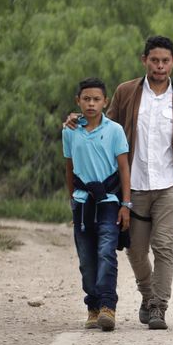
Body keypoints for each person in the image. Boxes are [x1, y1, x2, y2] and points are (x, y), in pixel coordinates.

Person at [69, 35, 173, 331]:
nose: (159, 66)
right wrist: (78, 121)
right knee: (136, 250)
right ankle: (147, 295)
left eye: (165, 61)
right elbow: (105, 126)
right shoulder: (127, 92)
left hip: (169, 186)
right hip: (134, 187)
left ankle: (159, 307)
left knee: (164, 246)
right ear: (145, 60)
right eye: (154, 60)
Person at [62, 78, 131, 331]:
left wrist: (126, 204)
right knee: (86, 258)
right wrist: (72, 199)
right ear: (78, 101)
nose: (91, 104)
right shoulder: (69, 130)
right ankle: (92, 306)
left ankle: (107, 306)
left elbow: (124, 168)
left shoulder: (115, 130)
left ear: (106, 102)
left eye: (96, 99)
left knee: (105, 252)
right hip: (82, 203)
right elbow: (69, 168)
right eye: (86, 99)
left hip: (109, 202)